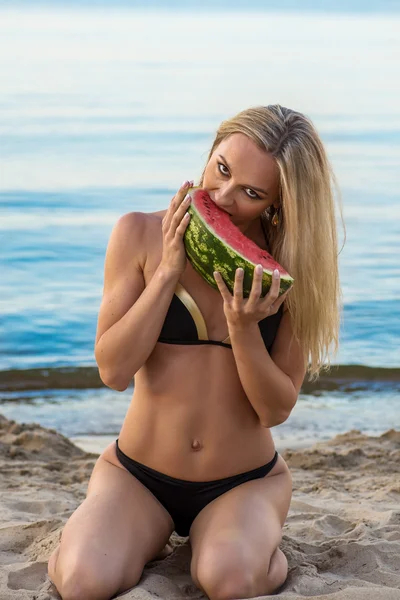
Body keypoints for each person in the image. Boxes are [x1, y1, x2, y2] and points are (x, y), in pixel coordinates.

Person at [48, 104, 343, 600]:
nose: (222, 197)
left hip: (244, 481)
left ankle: (255, 545)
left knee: (229, 581)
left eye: (252, 193)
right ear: (210, 152)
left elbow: (275, 409)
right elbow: (113, 370)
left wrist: (244, 328)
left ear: (279, 204)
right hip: (137, 473)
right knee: (84, 582)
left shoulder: (288, 270)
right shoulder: (138, 233)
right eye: (221, 169)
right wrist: (166, 272)